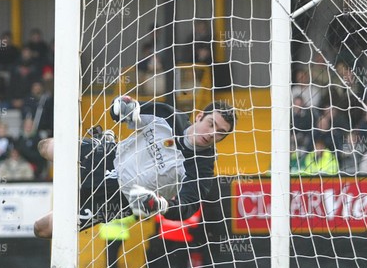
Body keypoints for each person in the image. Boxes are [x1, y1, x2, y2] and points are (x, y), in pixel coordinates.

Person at [33, 96, 236, 238]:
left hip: (117, 200)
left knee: (42, 229)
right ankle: (106, 141)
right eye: (211, 124)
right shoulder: (167, 116)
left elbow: (188, 207)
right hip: (108, 156)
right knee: (47, 147)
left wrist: (161, 205)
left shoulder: (202, 169)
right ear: (200, 116)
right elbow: (124, 111)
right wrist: (120, 105)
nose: (212, 133)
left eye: (220, 132)